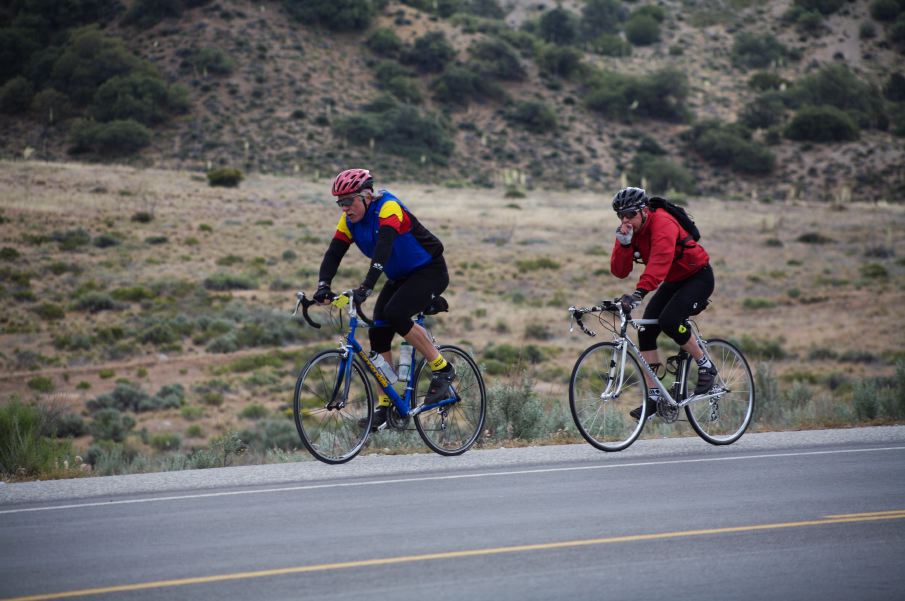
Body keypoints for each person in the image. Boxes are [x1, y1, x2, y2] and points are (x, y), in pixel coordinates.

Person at [314, 168, 455, 430]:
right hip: (400, 277)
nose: (345, 208)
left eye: (349, 201)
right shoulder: (349, 221)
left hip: (429, 270)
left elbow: (384, 249)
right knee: (378, 333)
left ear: (366, 196)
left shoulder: (388, 208)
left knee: (396, 314)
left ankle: (443, 368)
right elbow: (333, 253)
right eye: (340, 203)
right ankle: (387, 406)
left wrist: (366, 287)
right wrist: (323, 286)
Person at [609, 187, 717, 420]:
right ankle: (655, 396)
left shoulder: (663, 223)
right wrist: (624, 245)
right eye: (620, 216)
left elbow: (660, 261)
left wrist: (638, 294)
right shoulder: (631, 231)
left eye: (629, 214)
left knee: (670, 320)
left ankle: (706, 365)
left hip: (698, 277)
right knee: (646, 330)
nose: (625, 220)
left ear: (643, 210)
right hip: (673, 280)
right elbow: (619, 271)